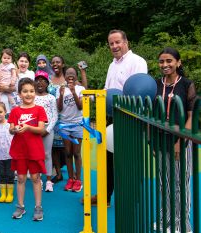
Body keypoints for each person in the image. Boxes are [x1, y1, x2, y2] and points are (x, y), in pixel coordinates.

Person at [91, 29, 148, 207]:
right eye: (111, 43)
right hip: (111, 116)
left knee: (129, 159)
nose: (114, 46)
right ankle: (105, 196)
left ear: (126, 42)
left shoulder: (137, 62)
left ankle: (131, 198)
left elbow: (139, 91)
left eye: (117, 42)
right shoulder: (112, 65)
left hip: (129, 116)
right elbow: (108, 91)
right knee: (107, 157)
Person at [154, 47, 196, 232]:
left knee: (181, 184)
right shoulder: (155, 84)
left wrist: (181, 141)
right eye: (162, 61)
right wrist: (151, 140)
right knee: (164, 183)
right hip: (160, 141)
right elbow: (150, 114)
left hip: (181, 141)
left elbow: (192, 116)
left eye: (169, 61)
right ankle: (166, 219)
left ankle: (181, 224)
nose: (165, 65)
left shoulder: (187, 84)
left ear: (178, 63)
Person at [9, 78, 48, 221]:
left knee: (36, 178)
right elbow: (11, 129)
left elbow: (41, 129)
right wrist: (14, 130)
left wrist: (28, 127)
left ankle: (38, 207)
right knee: (20, 178)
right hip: (19, 151)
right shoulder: (14, 111)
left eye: (31, 91)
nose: (28, 94)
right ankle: (20, 206)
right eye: (25, 91)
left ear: (35, 93)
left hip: (35, 150)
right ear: (19, 94)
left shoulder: (39, 109)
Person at [57, 67, 85, 192]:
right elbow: (59, 108)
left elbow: (80, 107)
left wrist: (73, 92)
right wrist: (62, 94)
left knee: (77, 153)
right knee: (68, 153)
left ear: (76, 76)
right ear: (65, 75)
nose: (70, 75)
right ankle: (70, 179)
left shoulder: (81, 89)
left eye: (73, 74)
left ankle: (78, 180)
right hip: (65, 124)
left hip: (78, 124)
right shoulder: (61, 89)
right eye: (68, 73)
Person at [34, 70, 58, 192]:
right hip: (34, 130)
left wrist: (47, 130)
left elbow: (55, 116)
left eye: (43, 80)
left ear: (47, 83)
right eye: (37, 80)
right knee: (36, 155)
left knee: (47, 154)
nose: (40, 82)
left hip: (47, 130)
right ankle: (37, 179)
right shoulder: (31, 97)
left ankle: (48, 180)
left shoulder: (51, 98)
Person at [49, 55, 67, 184]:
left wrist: (83, 72)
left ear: (63, 64)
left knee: (67, 147)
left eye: (58, 62)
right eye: (53, 62)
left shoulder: (69, 78)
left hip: (66, 117)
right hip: (52, 117)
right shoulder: (48, 79)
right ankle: (59, 174)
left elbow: (82, 89)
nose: (55, 64)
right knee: (54, 147)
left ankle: (73, 176)